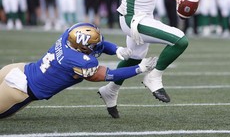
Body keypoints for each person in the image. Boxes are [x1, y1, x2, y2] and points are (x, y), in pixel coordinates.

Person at [98, 0, 198, 119]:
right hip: (134, 19)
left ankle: (110, 90)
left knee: (134, 58)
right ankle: (154, 76)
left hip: (142, 16)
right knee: (180, 40)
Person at [0, 22, 157, 118]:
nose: (98, 47)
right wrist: (139, 68)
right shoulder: (79, 61)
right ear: (82, 47)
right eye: (92, 46)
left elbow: (98, 44)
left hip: (18, 68)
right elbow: (107, 75)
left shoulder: (68, 36)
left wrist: (116, 49)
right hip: (19, 88)